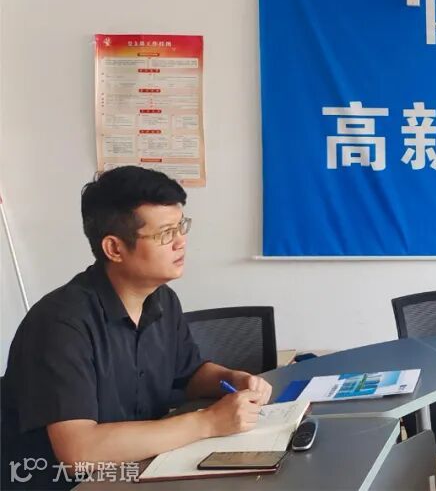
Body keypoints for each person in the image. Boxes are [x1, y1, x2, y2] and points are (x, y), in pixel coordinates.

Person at [1, 166, 273, 490]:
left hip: (139, 470)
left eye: (181, 226)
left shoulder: (163, 300)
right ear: (114, 248)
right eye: (165, 233)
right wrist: (208, 422)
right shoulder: (60, 323)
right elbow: (78, 451)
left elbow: (188, 374)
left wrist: (232, 379)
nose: (181, 242)